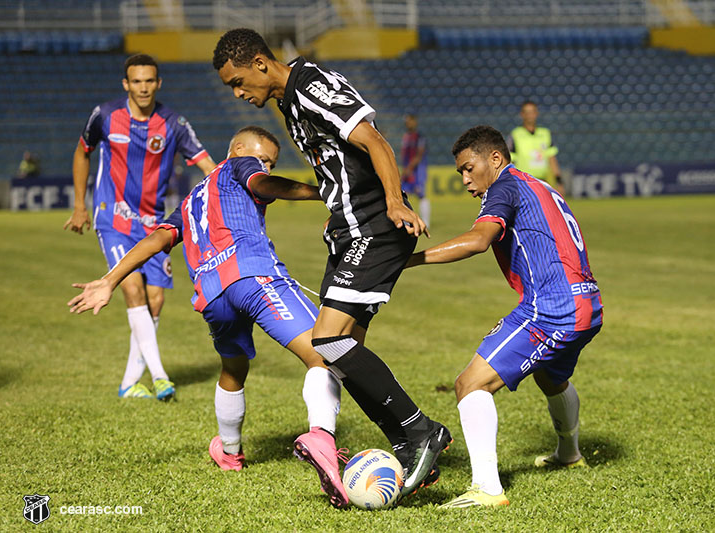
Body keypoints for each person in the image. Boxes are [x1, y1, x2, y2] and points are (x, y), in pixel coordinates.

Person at [213, 28, 451, 499]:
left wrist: (393, 203)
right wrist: (335, 213)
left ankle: (420, 431)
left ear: (261, 63)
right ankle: (408, 443)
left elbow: (374, 141)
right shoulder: (288, 104)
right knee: (339, 355)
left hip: (373, 227)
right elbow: (338, 166)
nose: (239, 94)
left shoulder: (308, 83)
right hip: (348, 230)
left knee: (329, 339)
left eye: (239, 82)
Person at [68, 126, 350, 508]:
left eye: (270, 160)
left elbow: (157, 239)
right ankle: (322, 437)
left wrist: (109, 280)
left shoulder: (191, 200)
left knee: (233, 369)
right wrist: (322, 193)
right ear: (237, 150)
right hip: (252, 275)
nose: (264, 164)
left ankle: (229, 451)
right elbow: (263, 183)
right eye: (261, 157)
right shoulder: (239, 167)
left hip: (212, 294)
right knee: (325, 352)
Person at [406, 125, 603, 508]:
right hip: (588, 304)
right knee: (551, 376)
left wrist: (406, 263)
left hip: (551, 308)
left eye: (468, 168)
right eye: (460, 172)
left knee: (470, 385)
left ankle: (487, 490)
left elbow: (479, 241)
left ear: (495, 159)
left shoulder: (504, 187)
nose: (465, 180)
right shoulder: (539, 185)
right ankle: (569, 454)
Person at [63, 54, 217, 401]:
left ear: (158, 83)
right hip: (112, 217)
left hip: (152, 223)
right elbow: (82, 151)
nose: (143, 87)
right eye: (137, 81)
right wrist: (78, 206)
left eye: (149, 81)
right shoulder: (105, 115)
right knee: (131, 287)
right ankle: (161, 378)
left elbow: (207, 163)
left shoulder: (173, 123)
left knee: (156, 299)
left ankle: (130, 382)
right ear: (126, 84)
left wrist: (232, 189)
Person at [507, 100, 564, 196]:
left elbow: (552, 158)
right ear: (522, 114)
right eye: (527, 112)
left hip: (542, 182)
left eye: (532, 112)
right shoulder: (516, 134)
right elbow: (510, 160)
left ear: (536, 113)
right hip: (523, 183)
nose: (530, 115)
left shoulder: (545, 133)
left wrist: (559, 180)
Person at [400, 113, 431, 227]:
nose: (407, 123)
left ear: (415, 121)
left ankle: (426, 222)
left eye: (410, 120)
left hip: (418, 171)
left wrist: (409, 168)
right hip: (407, 170)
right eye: (406, 121)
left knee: (421, 194)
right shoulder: (406, 137)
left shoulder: (420, 137)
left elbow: (419, 155)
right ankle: (405, 221)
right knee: (402, 194)